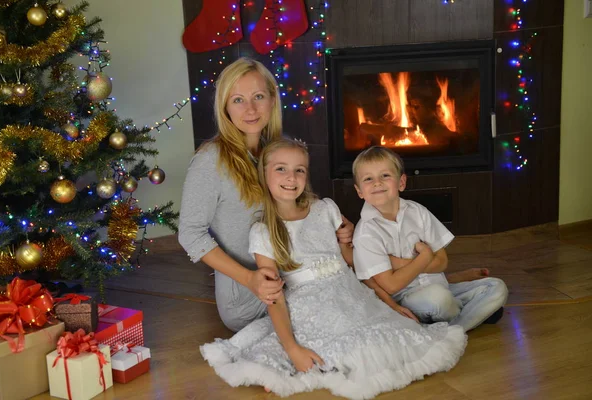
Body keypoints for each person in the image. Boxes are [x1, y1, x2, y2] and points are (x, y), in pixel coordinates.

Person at [201, 139, 467, 399]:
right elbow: (274, 297)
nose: (291, 177)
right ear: (263, 175)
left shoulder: (325, 208)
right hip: (310, 303)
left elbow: (355, 264)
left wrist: (388, 304)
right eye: (280, 169)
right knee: (340, 350)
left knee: (393, 336)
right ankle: (283, 364)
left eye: (299, 170)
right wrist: (292, 348)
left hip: (350, 292)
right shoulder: (263, 231)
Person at [178, 57, 353, 332]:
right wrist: (250, 279)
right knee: (340, 315)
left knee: (354, 297)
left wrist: (337, 223)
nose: (250, 109)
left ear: (272, 99)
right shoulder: (210, 160)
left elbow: (296, 203)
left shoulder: (273, 150)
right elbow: (190, 234)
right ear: (224, 106)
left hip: (295, 273)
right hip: (254, 294)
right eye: (238, 100)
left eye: (258, 96)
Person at [352, 146, 509, 332]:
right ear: (359, 191)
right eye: (368, 179)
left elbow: (442, 262)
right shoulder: (366, 232)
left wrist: (398, 263)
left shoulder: (417, 212)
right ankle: (466, 317)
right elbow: (392, 285)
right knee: (439, 300)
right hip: (409, 298)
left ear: (401, 182)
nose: (377, 183)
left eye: (385, 175)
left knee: (497, 286)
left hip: (441, 285)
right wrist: (425, 257)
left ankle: (450, 322)